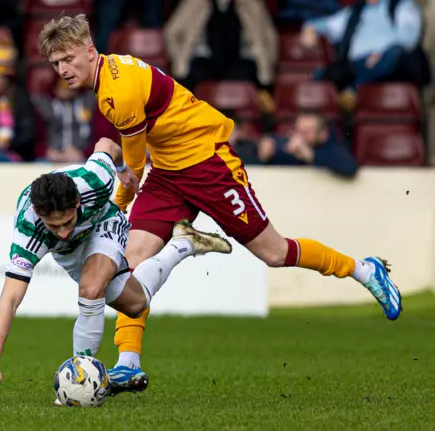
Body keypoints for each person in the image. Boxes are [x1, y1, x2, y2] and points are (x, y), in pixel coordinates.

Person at [38, 13, 403, 396]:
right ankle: (128, 363)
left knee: (275, 253)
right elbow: (139, 163)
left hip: (208, 164)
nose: (63, 69)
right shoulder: (109, 78)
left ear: (90, 51)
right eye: (55, 63)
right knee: (129, 264)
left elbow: (132, 168)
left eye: (68, 59)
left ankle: (364, 270)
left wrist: (119, 207)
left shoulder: (117, 92)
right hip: (169, 172)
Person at [0, 137, 232, 395]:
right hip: (69, 254)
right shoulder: (29, 230)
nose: (63, 231)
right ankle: (183, 244)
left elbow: (106, 144)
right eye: (54, 226)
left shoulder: (95, 182)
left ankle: (81, 378)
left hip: (103, 224)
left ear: (78, 202)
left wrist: (122, 169)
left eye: (67, 221)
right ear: (39, 213)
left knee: (91, 289)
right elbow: (9, 301)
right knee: (135, 303)